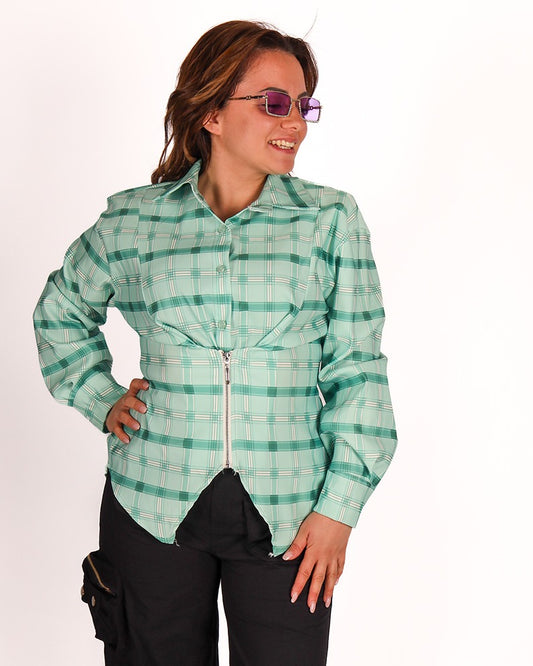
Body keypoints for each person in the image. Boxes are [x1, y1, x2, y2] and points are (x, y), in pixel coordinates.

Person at [33, 19, 397, 666]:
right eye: (274, 103)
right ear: (211, 113)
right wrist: (100, 398)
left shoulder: (329, 220)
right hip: (150, 499)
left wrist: (339, 509)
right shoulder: (134, 222)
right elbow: (60, 311)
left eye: (303, 104)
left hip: (292, 514)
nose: (295, 122)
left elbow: (358, 371)